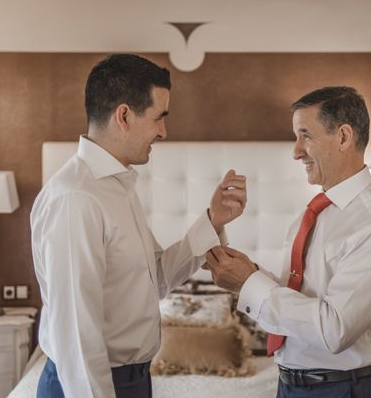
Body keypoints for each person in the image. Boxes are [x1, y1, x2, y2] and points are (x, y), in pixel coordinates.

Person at [31, 54, 247, 398]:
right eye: (159, 117)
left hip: (133, 382)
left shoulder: (117, 187)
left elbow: (155, 278)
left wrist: (213, 220)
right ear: (124, 116)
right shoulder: (77, 199)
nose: (164, 131)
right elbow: (77, 338)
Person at [204, 86, 371, 398]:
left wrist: (248, 283)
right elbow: (302, 296)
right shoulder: (316, 213)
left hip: (347, 389)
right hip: (290, 386)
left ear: (344, 137)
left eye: (305, 135)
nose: (296, 151)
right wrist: (246, 271)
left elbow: (334, 329)